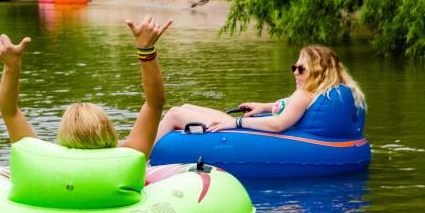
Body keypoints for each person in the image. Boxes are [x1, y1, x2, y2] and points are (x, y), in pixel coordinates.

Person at [0, 15, 173, 155]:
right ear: (109, 132)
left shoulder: (41, 160)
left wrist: (12, 66)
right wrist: (146, 50)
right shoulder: (130, 156)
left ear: (63, 137)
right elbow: (155, 102)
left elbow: (9, 111)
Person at [155, 45, 367, 138]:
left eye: (301, 69)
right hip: (253, 131)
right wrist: (263, 107)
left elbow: (279, 124)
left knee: (175, 113)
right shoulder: (316, 95)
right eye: (294, 67)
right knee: (186, 107)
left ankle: (142, 157)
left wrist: (236, 122)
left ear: (318, 73)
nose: (295, 73)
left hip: (242, 133)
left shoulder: (304, 96)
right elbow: (288, 108)